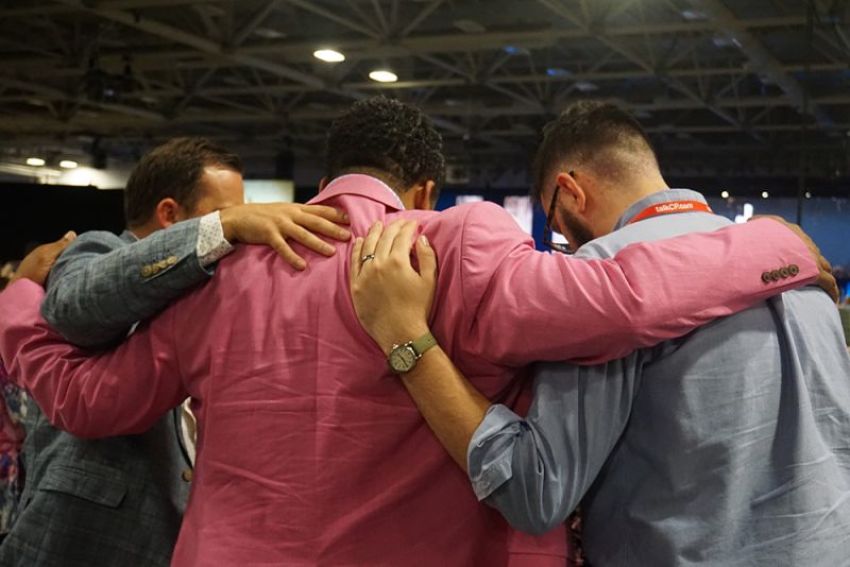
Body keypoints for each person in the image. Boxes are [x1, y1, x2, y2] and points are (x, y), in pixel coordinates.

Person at [0, 97, 833, 566]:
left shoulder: (224, 271)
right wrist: (775, 244)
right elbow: (618, 300)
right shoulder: (456, 243)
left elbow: (89, 399)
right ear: (425, 187)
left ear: (324, 176)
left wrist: (15, 304)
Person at [347, 101, 850, 566]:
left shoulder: (601, 275)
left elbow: (535, 490)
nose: (561, 241)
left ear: (571, 191)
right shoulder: (795, 265)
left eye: (554, 224)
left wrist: (406, 337)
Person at [0, 137, 351, 567]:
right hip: (81, 539)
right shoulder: (98, 248)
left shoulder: (213, 287)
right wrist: (221, 229)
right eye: (228, 212)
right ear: (169, 214)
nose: (246, 225)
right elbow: (74, 306)